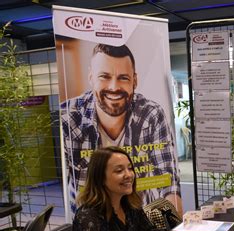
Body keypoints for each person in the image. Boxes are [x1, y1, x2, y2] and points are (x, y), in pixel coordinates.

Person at [61, 43, 182, 214]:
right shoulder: (68, 118)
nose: (114, 87)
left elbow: (168, 181)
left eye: (123, 78)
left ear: (135, 80)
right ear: (91, 77)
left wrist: (174, 224)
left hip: (140, 220)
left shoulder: (151, 114)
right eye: (104, 76)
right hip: (92, 223)